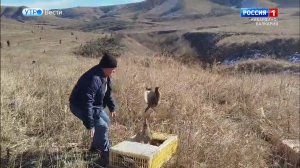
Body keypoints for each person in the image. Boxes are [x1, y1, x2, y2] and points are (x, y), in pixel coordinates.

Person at [69, 53, 118, 167]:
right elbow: (87, 103)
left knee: (106, 121)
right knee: (102, 126)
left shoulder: (105, 76)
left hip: (94, 106)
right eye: (113, 69)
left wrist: (112, 107)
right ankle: (106, 154)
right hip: (79, 106)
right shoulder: (93, 79)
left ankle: (95, 147)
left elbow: (107, 93)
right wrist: (90, 124)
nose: (114, 71)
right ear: (105, 68)